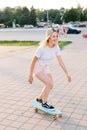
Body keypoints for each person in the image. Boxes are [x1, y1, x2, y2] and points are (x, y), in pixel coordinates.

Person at [28, 28, 71, 109]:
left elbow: (61, 62)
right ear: (49, 37)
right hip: (37, 68)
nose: (55, 38)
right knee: (49, 83)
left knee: (50, 85)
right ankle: (44, 103)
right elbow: (33, 62)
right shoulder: (41, 48)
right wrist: (30, 75)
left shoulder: (56, 47)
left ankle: (39, 99)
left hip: (45, 67)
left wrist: (67, 74)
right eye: (53, 36)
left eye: (56, 36)